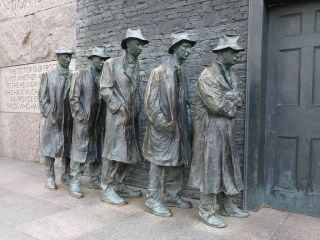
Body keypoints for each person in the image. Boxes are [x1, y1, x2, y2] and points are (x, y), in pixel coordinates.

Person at [189, 35, 249, 228]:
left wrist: (232, 99)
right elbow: (219, 106)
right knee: (211, 168)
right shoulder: (208, 76)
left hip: (225, 130)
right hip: (210, 132)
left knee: (228, 167)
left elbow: (241, 100)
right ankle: (206, 211)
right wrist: (232, 101)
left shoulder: (231, 75)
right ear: (222, 53)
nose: (238, 56)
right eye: (234, 52)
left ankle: (227, 205)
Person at [143, 31, 196, 217]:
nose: (188, 51)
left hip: (180, 126)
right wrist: (164, 125)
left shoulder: (183, 72)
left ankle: (172, 195)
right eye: (185, 47)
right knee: (158, 164)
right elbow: (150, 104)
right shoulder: (159, 71)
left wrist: (188, 123)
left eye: (190, 47)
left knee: (178, 162)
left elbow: (186, 101)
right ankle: (152, 199)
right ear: (175, 48)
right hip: (163, 129)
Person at [99, 28, 149, 205]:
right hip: (117, 117)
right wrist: (118, 106)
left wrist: (137, 110)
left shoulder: (137, 65)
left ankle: (119, 184)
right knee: (112, 152)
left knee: (127, 152)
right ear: (128, 44)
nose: (140, 48)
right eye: (137, 44)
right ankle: (106, 188)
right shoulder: (111, 64)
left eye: (142, 45)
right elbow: (105, 87)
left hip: (132, 117)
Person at [69, 46, 109, 198]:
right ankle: (74, 180)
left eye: (104, 59)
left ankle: (94, 178)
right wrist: (81, 118)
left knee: (97, 150)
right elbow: (73, 98)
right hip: (83, 121)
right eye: (99, 59)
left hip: (99, 121)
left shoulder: (105, 76)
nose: (102, 62)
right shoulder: (81, 74)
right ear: (92, 59)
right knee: (80, 150)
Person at [38, 47, 73, 190]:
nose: (68, 59)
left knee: (69, 147)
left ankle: (66, 174)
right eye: (65, 57)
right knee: (50, 148)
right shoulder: (48, 75)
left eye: (69, 57)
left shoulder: (73, 75)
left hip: (69, 118)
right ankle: (50, 176)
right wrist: (49, 113)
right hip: (54, 118)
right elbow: (42, 98)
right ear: (58, 57)